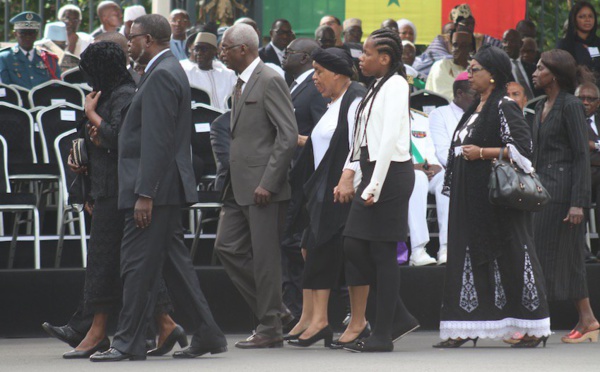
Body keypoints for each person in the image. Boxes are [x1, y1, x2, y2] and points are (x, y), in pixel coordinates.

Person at [90, 14, 227, 361]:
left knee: (135, 266)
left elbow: (157, 142)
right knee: (175, 267)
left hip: (155, 192)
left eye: (131, 36)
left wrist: (145, 195)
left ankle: (126, 343)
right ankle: (208, 333)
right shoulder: (162, 70)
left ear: (147, 39)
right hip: (163, 189)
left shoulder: (163, 74)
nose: (129, 42)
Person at [435, 45, 551, 348]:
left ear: (492, 76)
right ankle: (466, 325)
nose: (470, 74)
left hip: (496, 200)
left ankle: (532, 328)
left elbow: (524, 150)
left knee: (514, 255)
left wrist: (483, 152)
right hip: (470, 198)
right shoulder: (475, 107)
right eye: (470, 69)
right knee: (467, 257)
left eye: (475, 69)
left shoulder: (503, 104)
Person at [215, 23, 298, 349]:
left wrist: (269, 182)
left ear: (243, 50)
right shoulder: (240, 83)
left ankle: (269, 327)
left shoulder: (269, 80)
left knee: (265, 260)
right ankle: (276, 310)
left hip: (264, 189)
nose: (222, 53)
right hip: (238, 187)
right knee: (227, 247)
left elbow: (287, 135)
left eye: (225, 47)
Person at [336, 28, 420, 353]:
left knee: (382, 253)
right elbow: (361, 138)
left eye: (367, 53)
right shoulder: (377, 85)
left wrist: (373, 183)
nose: (361, 57)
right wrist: (352, 171)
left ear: (384, 58)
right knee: (355, 244)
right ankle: (396, 314)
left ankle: (383, 333)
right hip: (374, 172)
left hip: (391, 175)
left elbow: (386, 139)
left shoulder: (397, 84)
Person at [285, 47, 366, 348]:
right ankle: (308, 316)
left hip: (340, 190)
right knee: (308, 248)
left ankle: (320, 320)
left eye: (319, 72)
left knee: (320, 251)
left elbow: (357, 145)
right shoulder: (334, 103)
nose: (315, 78)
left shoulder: (355, 99)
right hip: (320, 190)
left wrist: (348, 181)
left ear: (339, 74)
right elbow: (324, 144)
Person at [532, 49, 600, 344]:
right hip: (543, 191)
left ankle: (535, 324)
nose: (534, 72)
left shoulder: (571, 105)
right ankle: (587, 319)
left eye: (539, 68)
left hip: (563, 193)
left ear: (555, 75)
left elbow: (581, 156)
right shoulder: (541, 106)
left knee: (549, 257)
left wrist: (578, 202)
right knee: (557, 256)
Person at [280, 38, 330, 323]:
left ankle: (301, 311)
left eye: (290, 52)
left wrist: (299, 142)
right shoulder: (294, 85)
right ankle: (295, 309)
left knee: (295, 244)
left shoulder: (313, 89)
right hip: (290, 177)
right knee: (288, 244)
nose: (284, 55)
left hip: (305, 179)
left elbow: (324, 135)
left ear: (306, 57)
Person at [0, 12, 61, 89]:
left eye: (31, 33)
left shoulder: (48, 59)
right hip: (18, 99)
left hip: (42, 100)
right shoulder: (5, 58)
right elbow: (4, 89)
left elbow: (57, 86)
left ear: (37, 35)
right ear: (15, 34)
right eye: (23, 33)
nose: (27, 37)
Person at [181, 32, 236, 110]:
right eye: (196, 49)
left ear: (214, 51)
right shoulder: (187, 73)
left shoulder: (227, 74)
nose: (199, 53)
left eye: (203, 49)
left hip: (226, 119)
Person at [575, 82, 600, 247]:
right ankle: (580, 247)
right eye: (581, 98)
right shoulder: (572, 120)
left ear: (598, 102)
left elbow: (590, 146)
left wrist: (595, 145)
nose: (585, 102)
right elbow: (580, 146)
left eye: (590, 99)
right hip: (582, 172)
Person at [558, 1, 600, 78]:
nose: (587, 19)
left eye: (590, 16)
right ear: (574, 19)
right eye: (582, 16)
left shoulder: (598, 43)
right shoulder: (565, 45)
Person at [426, 31, 472, 100]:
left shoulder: (474, 69)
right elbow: (428, 92)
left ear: (470, 49)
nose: (457, 49)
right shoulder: (439, 66)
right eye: (455, 45)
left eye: (463, 46)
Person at [502, 29, 536, 99]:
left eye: (512, 41)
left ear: (520, 44)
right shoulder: (499, 69)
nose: (508, 45)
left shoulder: (532, 68)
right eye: (505, 41)